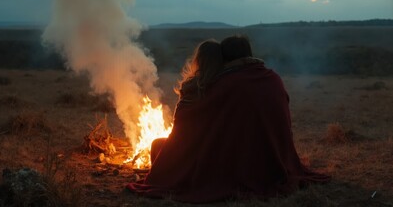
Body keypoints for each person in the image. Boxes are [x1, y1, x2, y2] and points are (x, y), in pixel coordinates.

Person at [127, 35, 330, 203]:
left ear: (227, 60)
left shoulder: (228, 85)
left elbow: (192, 130)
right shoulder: (273, 78)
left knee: (158, 147)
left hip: (240, 161)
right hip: (276, 158)